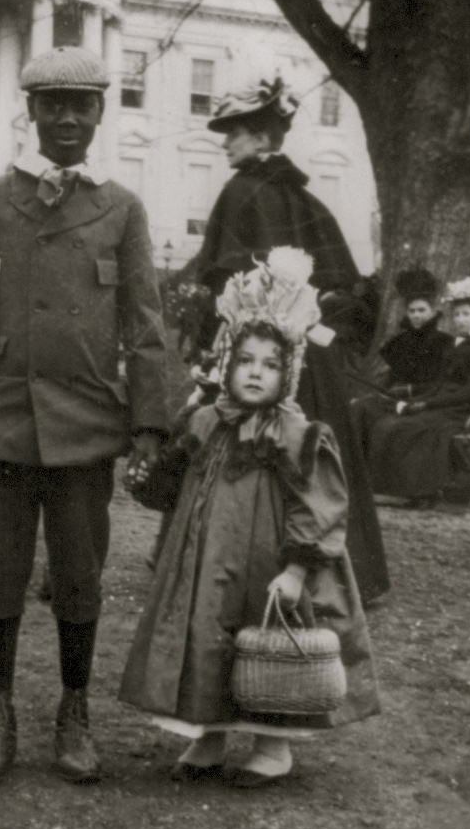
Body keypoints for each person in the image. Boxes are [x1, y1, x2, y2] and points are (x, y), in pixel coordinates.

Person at [0, 46, 169, 787]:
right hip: (0, 422)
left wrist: (151, 421)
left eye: (79, 105)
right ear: (30, 111)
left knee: (81, 574)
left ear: (98, 114)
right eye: (50, 103)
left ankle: (74, 712)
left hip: (86, 424)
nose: (64, 118)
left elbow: (145, 322)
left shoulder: (121, 208)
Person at [120, 250, 379, 787]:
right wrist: (152, 475)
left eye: (270, 364)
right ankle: (208, 733)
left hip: (269, 559)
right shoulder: (206, 420)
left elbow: (320, 504)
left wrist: (299, 568)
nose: (256, 373)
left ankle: (272, 744)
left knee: (268, 643)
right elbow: (177, 484)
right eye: (246, 361)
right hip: (206, 554)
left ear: (289, 372)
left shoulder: (298, 435)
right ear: (226, 363)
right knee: (205, 630)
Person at [192, 78, 390, 604]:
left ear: (261, 139)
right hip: (308, 363)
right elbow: (348, 293)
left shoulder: (240, 193)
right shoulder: (306, 200)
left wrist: (210, 350)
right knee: (315, 454)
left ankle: (240, 566)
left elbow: (222, 287)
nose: (224, 143)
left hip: (254, 360)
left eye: (233, 132)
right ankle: (346, 572)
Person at [359, 272, 470, 507]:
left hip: (466, 410)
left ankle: (417, 492)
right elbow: (441, 385)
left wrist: (427, 404)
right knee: (388, 421)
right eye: (457, 315)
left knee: (405, 427)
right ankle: (392, 487)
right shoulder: (457, 346)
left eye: (467, 314)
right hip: (445, 404)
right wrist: (412, 396)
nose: (460, 320)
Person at [377, 267, 453, 393]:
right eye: (411, 311)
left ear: (432, 312)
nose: (416, 315)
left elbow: (441, 383)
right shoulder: (399, 342)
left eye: (421, 310)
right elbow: (393, 376)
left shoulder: (445, 342)